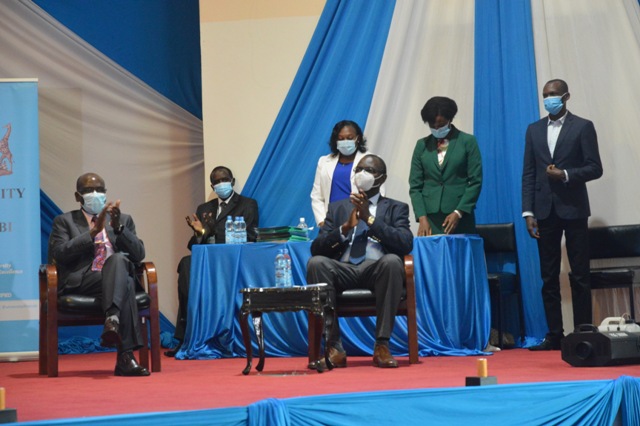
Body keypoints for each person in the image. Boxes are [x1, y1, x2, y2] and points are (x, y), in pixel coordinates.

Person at [307, 154, 413, 368]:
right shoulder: (337, 208)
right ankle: (334, 347)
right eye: (359, 170)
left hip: (377, 269)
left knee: (393, 261)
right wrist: (344, 228)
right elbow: (316, 248)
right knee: (316, 263)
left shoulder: (396, 208)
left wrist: (370, 219)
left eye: (369, 171)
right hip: (343, 269)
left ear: (382, 178)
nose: (362, 174)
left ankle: (382, 345)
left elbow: (405, 243)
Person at [522, 79, 603, 351]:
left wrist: (566, 174)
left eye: (554, 94)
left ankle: (582, 332)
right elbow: (529, 173)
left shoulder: (582, 126)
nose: (549, 99)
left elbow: (595, 167)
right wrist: (528, 211)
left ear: (566, 96)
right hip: (544, 211)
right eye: (545, 95)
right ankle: (555, 335)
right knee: (548, 277)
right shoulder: (533, 130)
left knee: (579, 275)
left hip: (574, 209)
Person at [48, 173, 149, 376]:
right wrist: (92, 233)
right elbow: (59, 254)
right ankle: (125, 356)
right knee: (126, 282)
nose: (95, 194)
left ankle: (113, 320)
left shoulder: (123, 219)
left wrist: (119, 229)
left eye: (100, 190)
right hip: (84, 280)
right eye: (88, 190)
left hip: (114, 276)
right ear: (77, 196)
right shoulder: (64, 221)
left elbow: (139, 255)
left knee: (119, 262)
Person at [166, 166, 259, 356]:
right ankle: (185, 338)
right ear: (212, 186)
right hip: (208, 260)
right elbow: (195, 245)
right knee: (186, 264)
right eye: (216, 182)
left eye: (224, 180)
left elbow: (250, 236)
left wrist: (212, 231)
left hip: (233, 260)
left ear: (232, 182)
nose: (221, 184)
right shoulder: (204, 209)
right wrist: (200, 232)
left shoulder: (247, 204)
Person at [409, 96, 482, 235]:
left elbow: (475, 181)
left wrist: (459, 212)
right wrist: (422, 217)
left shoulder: (467, 142)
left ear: (450, 119)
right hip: (430, 219)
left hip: (460, 217)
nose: (436, 128)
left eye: (441, 124)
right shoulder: (421, 145)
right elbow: (415, 186)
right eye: (432, 125)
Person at [311, 120, 379, 227]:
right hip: (331, 223)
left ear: (358, 138)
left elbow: (378, 196)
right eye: (341, 139)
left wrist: (366, 221)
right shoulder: (324, 162)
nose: (345, 141)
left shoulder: (371, 161)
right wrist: (322, 222)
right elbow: (317, 196)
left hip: (360, 222)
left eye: (350, 138)